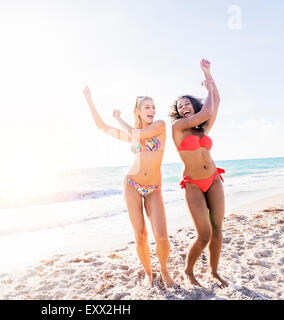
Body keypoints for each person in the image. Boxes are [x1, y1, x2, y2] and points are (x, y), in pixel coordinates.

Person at [83, 86, 175, 287]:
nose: (152, 110)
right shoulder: (131, 135)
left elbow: (137, 133)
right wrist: (89, 99)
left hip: (153, 188)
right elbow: (101, 127)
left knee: (161, 236)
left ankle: (164, 271)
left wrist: (119, 119)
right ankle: (149, 273)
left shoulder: (159, 126)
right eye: (147, 107)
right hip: (132, 184)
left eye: (153, 106)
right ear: (138, 111)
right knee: (140, 234)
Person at [169, 59, 228, 288]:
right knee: (204, 234)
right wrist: (208, 85)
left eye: (187, 103)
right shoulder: (177, 129)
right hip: (193, 184)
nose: (183, 107)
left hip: (214, 180)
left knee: (218, 230)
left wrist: (210, 77)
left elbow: (216, 103)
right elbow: (208, 109)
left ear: (193, 105)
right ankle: (189, 271)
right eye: (179, 106)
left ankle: (214, 271)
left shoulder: (204, 127)